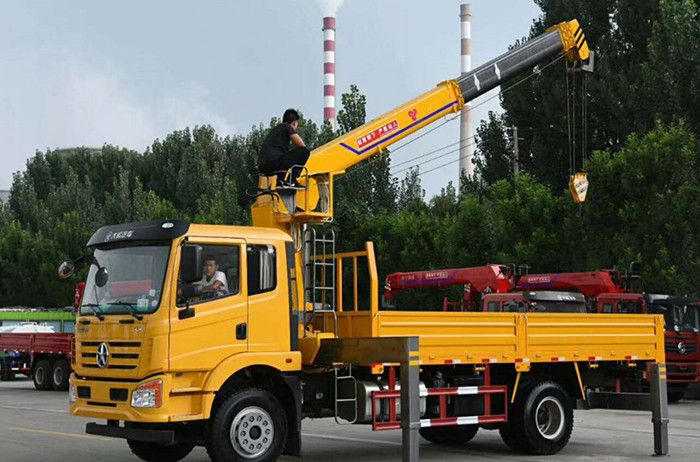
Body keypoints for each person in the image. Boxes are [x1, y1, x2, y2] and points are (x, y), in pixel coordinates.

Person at [258, 109, 310, 186]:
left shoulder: (276, 130)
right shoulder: (287, 126)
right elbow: (302, 145)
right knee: (304, 152)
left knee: (284, 155)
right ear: (294, 123)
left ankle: (280, 181)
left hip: (263, 167)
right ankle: (292, 180)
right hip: (274, 163)